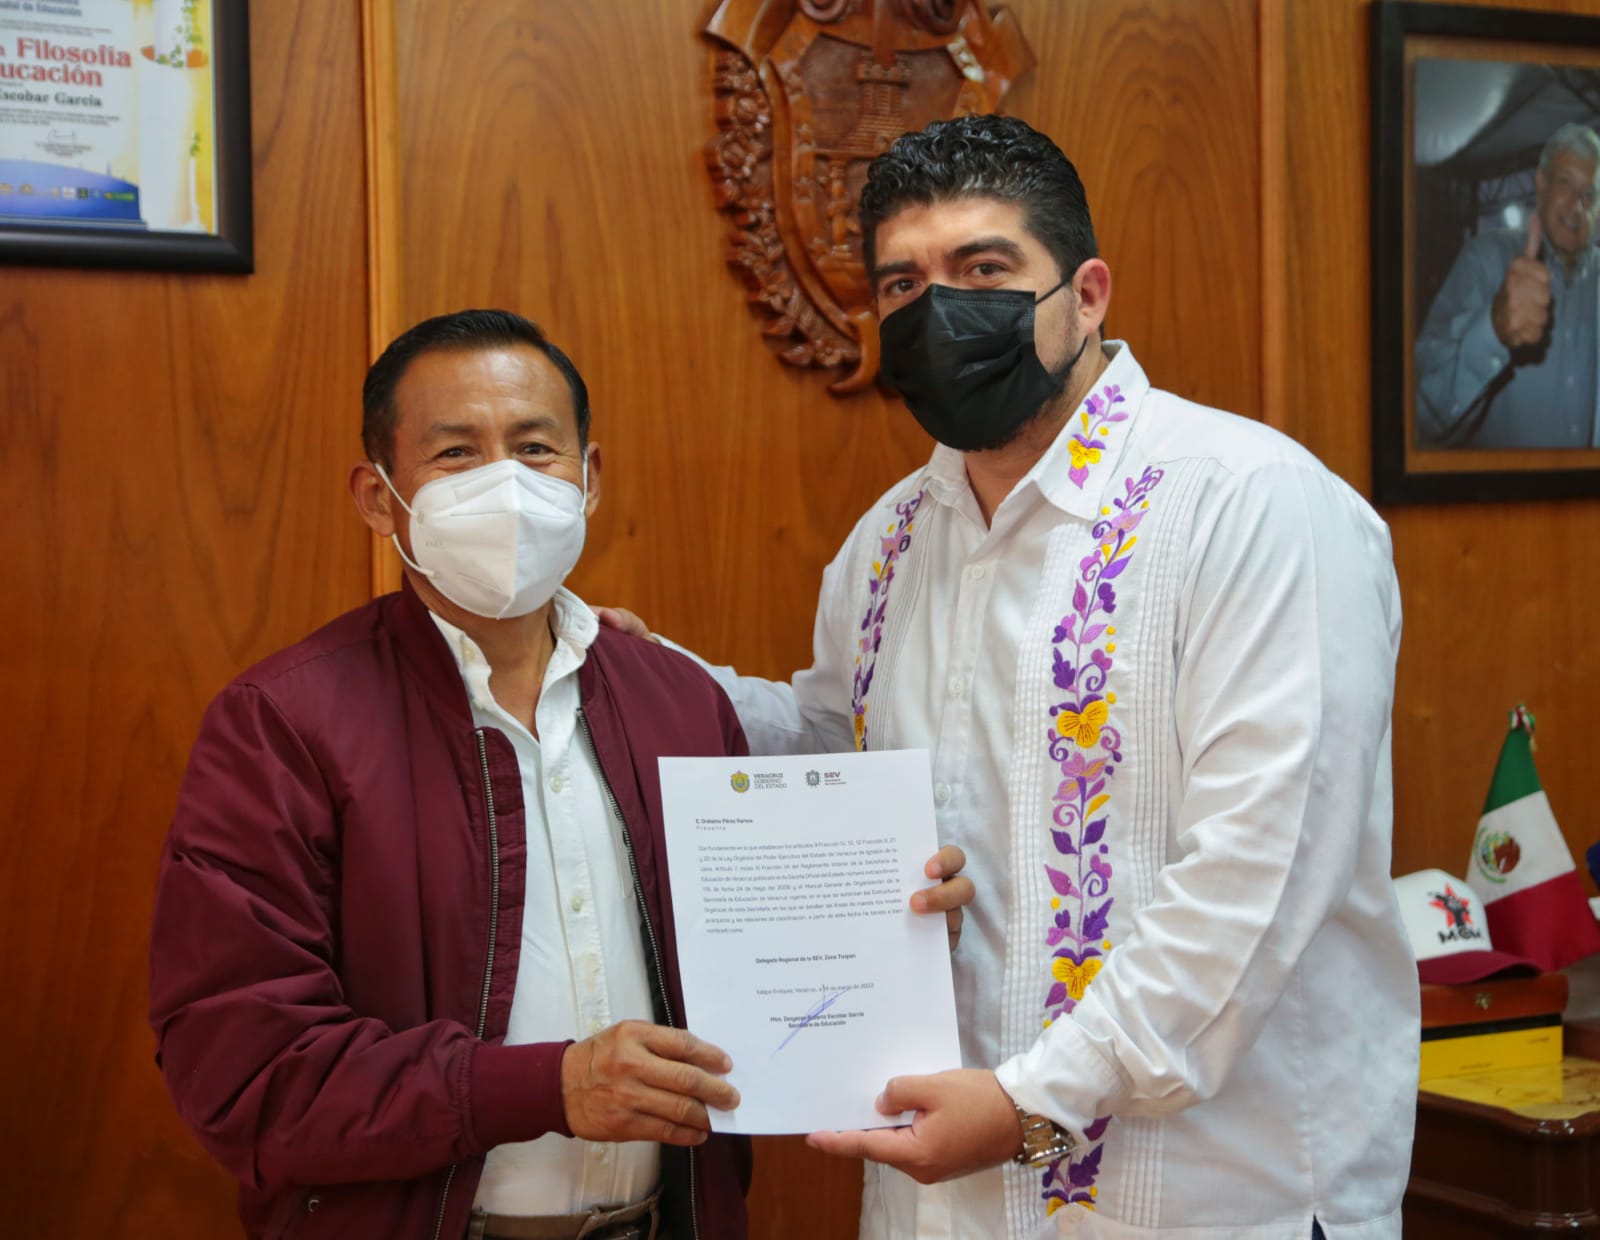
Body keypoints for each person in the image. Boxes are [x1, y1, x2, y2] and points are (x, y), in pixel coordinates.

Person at [604, 115, 1416, 1239]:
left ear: (1087, 295)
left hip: (1210, 1199)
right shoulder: (889, 540)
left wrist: (1032, 1103)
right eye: (904, 284)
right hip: (943, 1199)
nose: (940, 311)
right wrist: (644, 673)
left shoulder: (1250, 505)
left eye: (984, 269)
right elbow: (837, 748)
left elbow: (1258, 879)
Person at [148, 309, 972, 1240]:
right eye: (456, 453)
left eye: (536, 447)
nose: (505, 480)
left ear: (589, 478)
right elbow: (245, 1073)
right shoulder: (283, 725)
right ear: (379, 499)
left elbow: (750, 957)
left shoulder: (678, 701)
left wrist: (884, 924)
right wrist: (549, 1085)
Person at [1415, 121, 1600, 448]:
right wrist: (1492, 330)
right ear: (1541, 183)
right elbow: (1422, 416)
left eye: (1589, 193)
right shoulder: (1485, 259)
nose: (1577, 205)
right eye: (1566, 182)